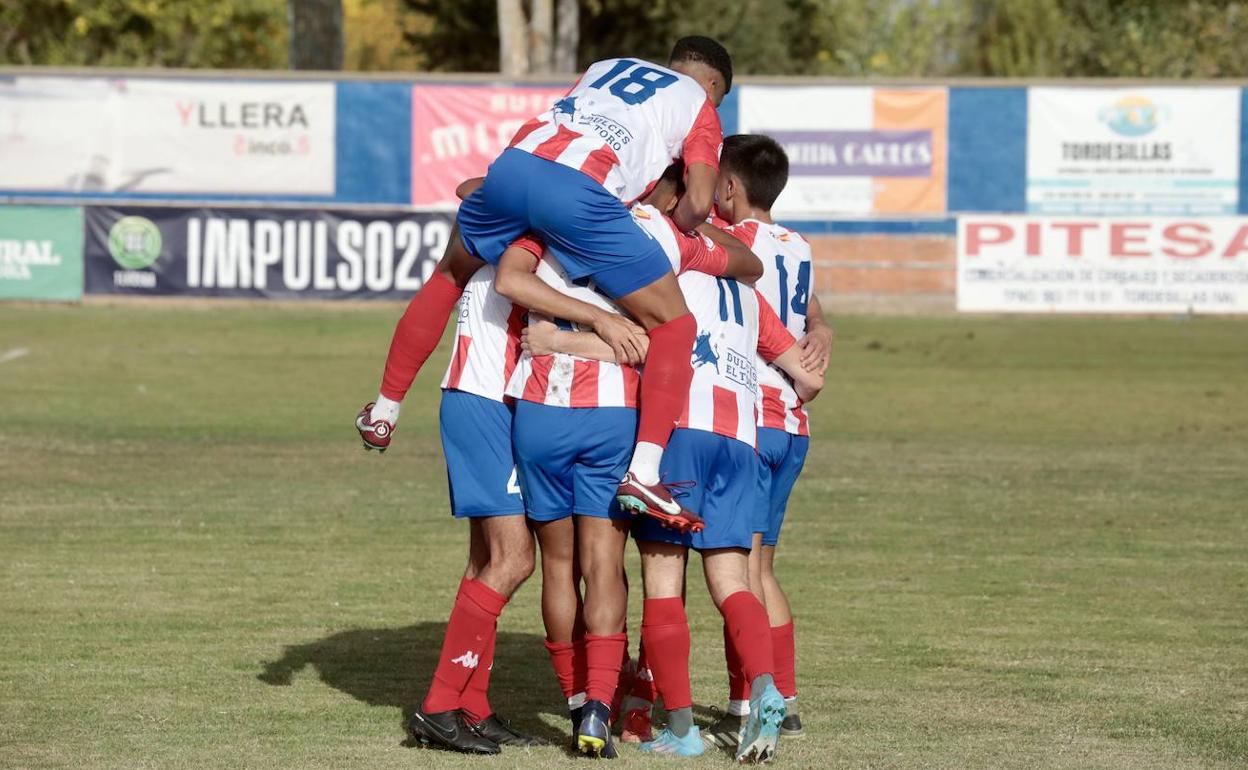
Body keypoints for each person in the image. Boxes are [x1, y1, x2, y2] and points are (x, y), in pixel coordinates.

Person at [356, 37, 735, 531]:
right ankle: (644, 473)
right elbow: (699, 203)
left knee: (448, 275)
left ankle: (384, 411)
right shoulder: (699, 106)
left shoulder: (607, 65)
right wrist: (666, 222)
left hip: (515, 165)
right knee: (675, 326)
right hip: (582, 194)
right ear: (711, 85)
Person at [492, 162, 762, 758]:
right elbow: (744, 268)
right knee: (605, 563)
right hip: (612, 415)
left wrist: (562, 332)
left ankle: (570, 701)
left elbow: (509, 278)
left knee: (559, 565)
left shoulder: (543, 224)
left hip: (540, 408)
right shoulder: (650, 237)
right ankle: (597, 706)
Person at [360, 189, 544, 754]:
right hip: (484, 401)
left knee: (486, 561)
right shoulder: (515, 217)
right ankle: (438, 706)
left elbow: (472, 187)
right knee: (515, 560)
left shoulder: (526, 209)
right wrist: (388, 402)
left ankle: (473, 706)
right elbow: (443, 281)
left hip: (504, 404)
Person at [703, 134, 834, 749]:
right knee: (762, 567)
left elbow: (756, 322)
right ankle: (786, 693)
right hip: (794, 425)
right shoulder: (797, 244)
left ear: (727, 188)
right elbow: (808, 309)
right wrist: (822, 326)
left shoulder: (728, 242)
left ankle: (752, 699)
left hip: (749, 418)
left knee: (736, 570)